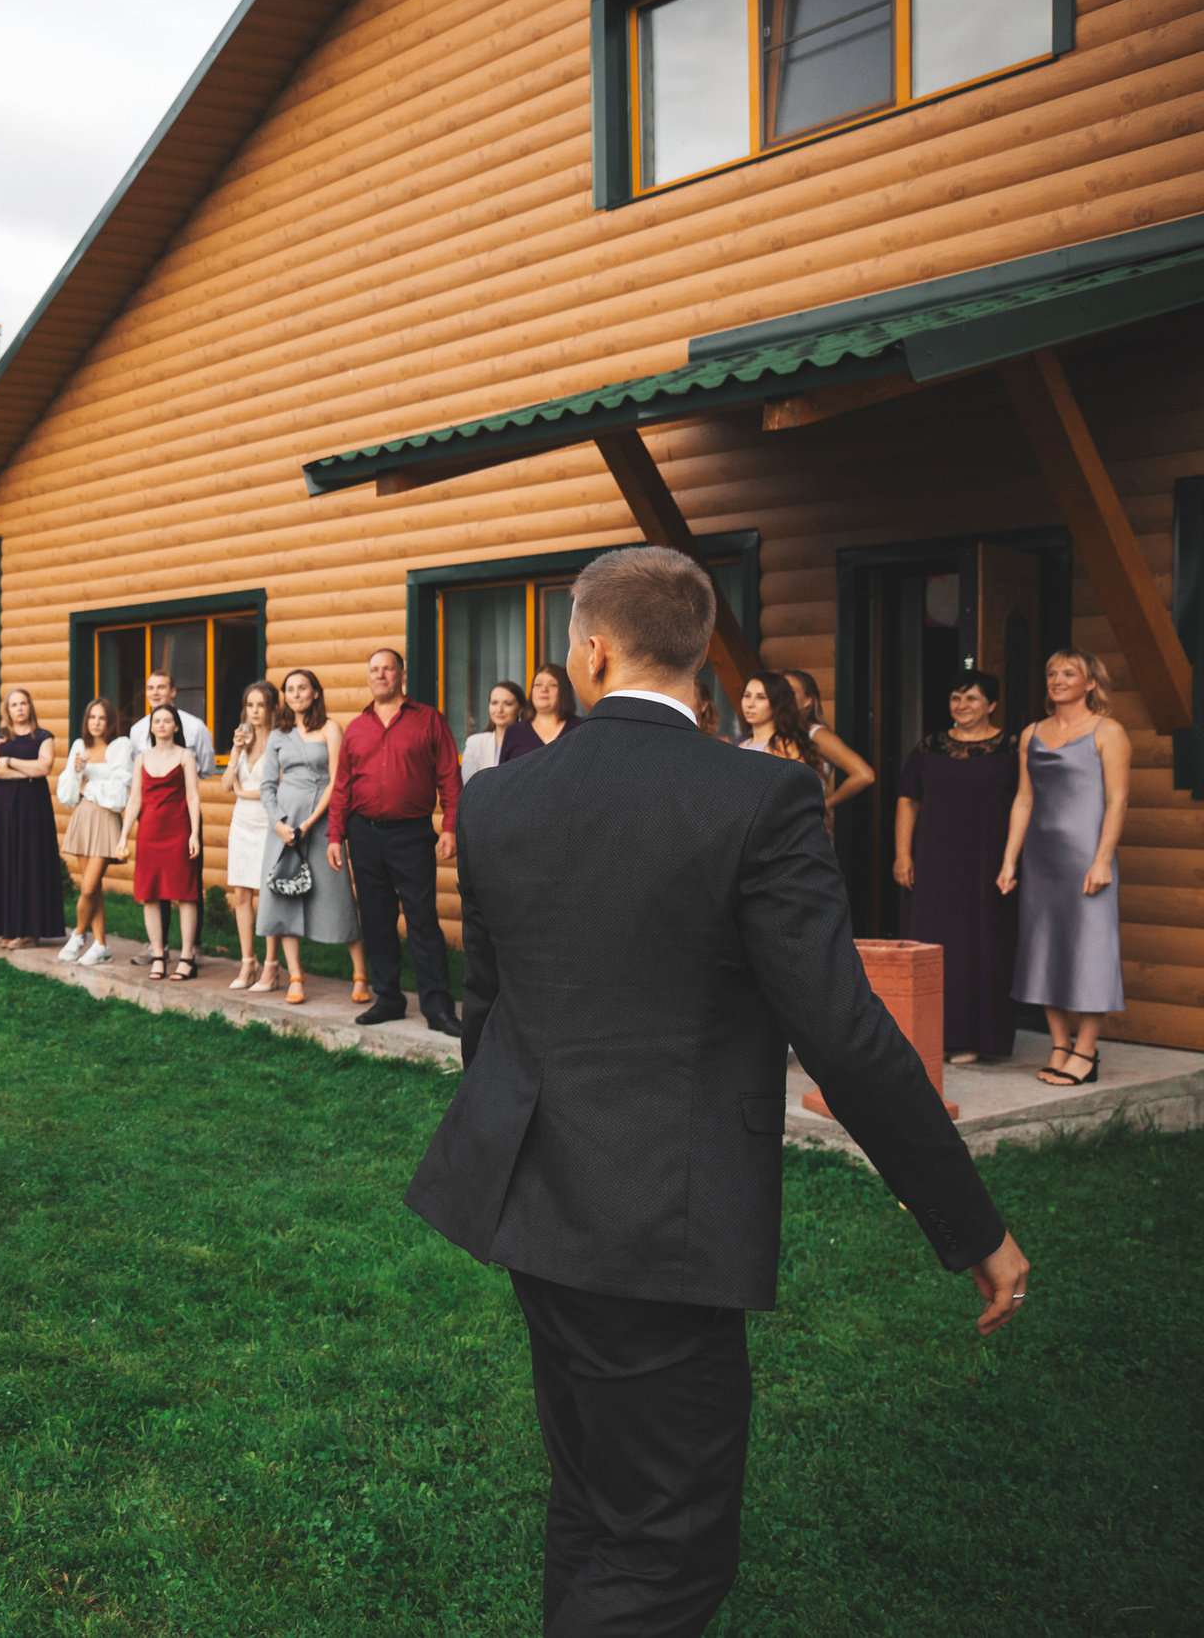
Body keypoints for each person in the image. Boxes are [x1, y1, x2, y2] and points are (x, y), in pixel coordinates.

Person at [407, 545, 1026, 1638]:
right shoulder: (764, 793)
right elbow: (838, 1026)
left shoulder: (502, 798)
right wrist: (967, 1221)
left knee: (595, 1501)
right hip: (661, 1219)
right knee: (667, 1550)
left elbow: (486, 1014)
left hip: (532, 1202)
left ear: (591, 652)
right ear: (696, 657)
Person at [998, 648, 1129, 1087]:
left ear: (1090, 682)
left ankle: (1087, 1052)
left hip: (1088, 858)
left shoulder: (1108, 732)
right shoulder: (1031, 733)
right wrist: (1010, 859)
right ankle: (1059, 1045)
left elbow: (1118, 800)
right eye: (1052, 672)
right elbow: (1024, 799)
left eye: (1068, 673)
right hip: (1042, 859)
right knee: (1044, 949)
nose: (1057, 680)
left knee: (1091, 951)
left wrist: (1103, 860)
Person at [328, 648, 462, 1036]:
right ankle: (388, 998)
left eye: (388, 668)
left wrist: (450, 826)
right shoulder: (356, 727)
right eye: (374, 669)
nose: (381, 675)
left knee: (422, 920)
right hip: (363, 834)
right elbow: (342, 787)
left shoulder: (429, 721)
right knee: (376, 919)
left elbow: (449, 778)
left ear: (402, 674)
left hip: (412, 834)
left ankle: (437, 1008)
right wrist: (335, 834)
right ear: (368, 677)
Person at [893, 671, 1020, 1064]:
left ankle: (974, 1040)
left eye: (972, 699)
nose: (962, 706)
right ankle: (931, 1034)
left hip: (987, 861)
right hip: (934, 862)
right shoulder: (930, 747)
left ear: (992, 704)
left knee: (983, 944)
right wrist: (903, 853)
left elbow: (1025, 803)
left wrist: (1011, 861)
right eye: (955, 698)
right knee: (933, 942)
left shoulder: (1011, 748)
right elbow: (907, 801)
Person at [259, 669, 363, 1006]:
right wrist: (279, 824)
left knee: (337, 894)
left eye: (302, 688)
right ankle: (295, 976)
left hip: (320, 820)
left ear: (315, 692)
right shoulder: (278, 733)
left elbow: (337, 778)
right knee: (285, 896)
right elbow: (268, 786)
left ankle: (360, 974)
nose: (295, 694)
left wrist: (311, 821)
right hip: (285, 824)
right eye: (289, 689)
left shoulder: (330, 728)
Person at [120, 704, 204, 981]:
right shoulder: (141, 759)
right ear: (151, 726)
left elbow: (193, 796)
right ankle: (158, 955)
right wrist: (123, 836)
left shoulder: (185, 756)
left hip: (179, 830)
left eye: (168, 720)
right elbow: (135, 800)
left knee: (185, 893)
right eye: (157, 721)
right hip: (149, 834)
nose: (162, 725)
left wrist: (194, 833)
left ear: (176, 726)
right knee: (151, 894)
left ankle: (187, 957)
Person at [0, 687, 64, 951]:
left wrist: (12, 762)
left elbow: (44, 768)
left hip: (34, 810)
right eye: (14, 704)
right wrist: (26, 771)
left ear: (30, 706)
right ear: (7, 709)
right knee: (7, 861)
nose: (19, 708)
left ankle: (31, 931)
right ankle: (8, 927)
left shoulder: (43, 736)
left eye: (24, 703)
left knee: (32, 863)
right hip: (4, 808)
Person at [54, 697, 131, 967]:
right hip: (83, 817)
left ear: (110, 722)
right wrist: (76, 777)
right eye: (92, 718)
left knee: (87, 888)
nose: (96, 723)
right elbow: (65, 793)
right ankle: (101, 945)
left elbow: (121, 794)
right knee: (93, 887)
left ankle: (77, 934)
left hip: (106, 820)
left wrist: (89, 788)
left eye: (102, 718)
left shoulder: (120, 747)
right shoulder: (79, 746)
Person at [221, 680, 280, 989]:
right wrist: (236, 752)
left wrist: (245, 793)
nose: (254, 711)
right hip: (241, 823)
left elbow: (280, 786)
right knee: (241, 894)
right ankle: (248, 962)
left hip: (268, 823)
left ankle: (272, 964)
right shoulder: (242, 739)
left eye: (260, 705)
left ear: (272, 708)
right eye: (250, 705)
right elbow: (225, 785)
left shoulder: (282, 740)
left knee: (268, 894)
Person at [782, 668, 879, 817]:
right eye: (780, 691)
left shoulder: (816, 734)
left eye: (791, 692)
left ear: (808, 700)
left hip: (801, 825)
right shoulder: (771, 734)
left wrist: (826, 805)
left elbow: (864, 774)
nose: (783, 697)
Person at [737, 672, 822, 777]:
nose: (750, 704)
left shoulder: (786, 747)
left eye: (761, 697)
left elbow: (798, 789)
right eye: (747, 695)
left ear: (778, 702)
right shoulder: (742, 745)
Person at [142, 670, 218, 778]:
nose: (155, 693)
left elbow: (207, 770)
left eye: (161, 687)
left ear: (173, 692)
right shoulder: (136, 730)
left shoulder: (195, 726)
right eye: (150, 688)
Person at [498, 663, 580, 761]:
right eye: (538, 684)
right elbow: (503, 774)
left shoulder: (580, 727)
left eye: (552, 685)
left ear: (564, 691)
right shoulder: (514, 731)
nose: (544, 689)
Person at [461, 680, 523, 782]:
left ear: (520, 709)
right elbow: (470, 787)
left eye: (508, 704)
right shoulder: (475, 743)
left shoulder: (529, 742)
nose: (499, 710)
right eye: (494, 703)